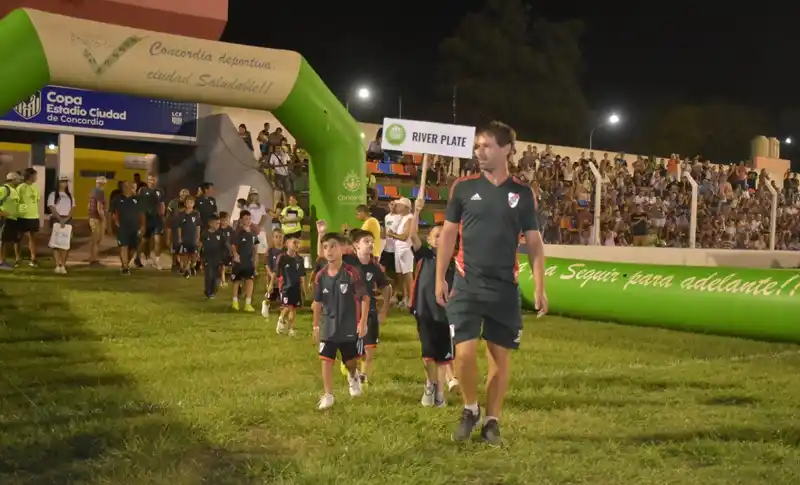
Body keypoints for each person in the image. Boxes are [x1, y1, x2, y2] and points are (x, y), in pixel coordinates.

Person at [436, 121, 548, 445]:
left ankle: (492, 421)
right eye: (477, 146)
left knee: (499, 357)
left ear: (506, 149)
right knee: (464, 354)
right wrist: (440, 276)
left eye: (486, 146)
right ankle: (470, 408)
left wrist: (539, 286)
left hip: (503, 287)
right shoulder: (463, 187)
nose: (479, 152)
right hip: (466, 282)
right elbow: (448, 233)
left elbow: (534, 242)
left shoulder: (522, 194)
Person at [408, 198, 458, 407]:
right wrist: (416, 211)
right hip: (425, 312)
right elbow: (412, 235)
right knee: (428, 354)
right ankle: (430, 384)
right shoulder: (424, 256)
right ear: (429, 240)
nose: (440, 239)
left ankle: (439, 393)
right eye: (436, 235)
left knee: (443, 357)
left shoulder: (454, 262)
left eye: (444, 235)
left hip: (445, 315)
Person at [312, 232, 369, 410]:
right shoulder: (320, 276)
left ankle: (353, 376)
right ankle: (328, 395)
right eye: (325, 247)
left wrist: (363, 322)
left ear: (342, 249)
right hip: (328, 326)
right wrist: (315, 326)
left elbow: (365, 298)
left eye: (333, 246)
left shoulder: (352, 273)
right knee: (326, 359)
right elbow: (317, 302)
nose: (329, 250)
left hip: (348, 326)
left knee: (350, 362)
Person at [344, 228, 391, 385]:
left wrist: (384, 309)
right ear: (356, 245)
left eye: (372, 242)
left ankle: (362, 377)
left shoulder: (375, 267)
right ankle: (352, 371)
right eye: (366, 241)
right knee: (351, 350)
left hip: (370, 312)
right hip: (351, 312)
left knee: (369, 350)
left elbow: (386, 287)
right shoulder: (347, 263)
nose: (371, 244)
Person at [272, 233, 305, 336]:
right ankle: (281, 319)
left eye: (298, 243)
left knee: (293, 308)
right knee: (287, 307)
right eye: (294, 242)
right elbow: (275, 272)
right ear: (287, 244)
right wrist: (271, 285)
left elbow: (302, 275)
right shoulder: (282, 257)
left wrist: (303, 289)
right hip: (285, 287)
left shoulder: (300, 259)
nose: (297, 245)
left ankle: (291, 329)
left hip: (296, 287)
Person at [386, 197, 415, 306]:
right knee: (400, 275)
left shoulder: (410, 218)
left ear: (406, 207)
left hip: (405, 249)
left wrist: (392, 234)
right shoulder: (402, 218)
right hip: (399, 249)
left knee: (407, 275)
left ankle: (411, 299)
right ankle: (405, 296)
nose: (397, 207)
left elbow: (405, 236)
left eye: (399, 205)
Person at [113, 181, 145, 275]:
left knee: (133, 248)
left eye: (130, 186)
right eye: (126, 186)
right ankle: (125, 267)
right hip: (122, 227)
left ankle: (125, 264)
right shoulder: (117, 199)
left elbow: (142, 214)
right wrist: (115, 223)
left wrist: (143, 226)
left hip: (135, 228)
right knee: (124, 246)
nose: (128, 188)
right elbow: (113, 213)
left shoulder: (137, 200)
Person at [135, 174, 166, 269]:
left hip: (157, 219)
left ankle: (157, 261)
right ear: (147, 180)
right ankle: (139, 258)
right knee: (144, 240)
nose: (151, 182)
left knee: (157, 240)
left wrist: (162, 216)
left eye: (153, 180)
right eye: (150, 180)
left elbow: (162, 204)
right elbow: (138, 203)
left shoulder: (160, 191)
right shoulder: (142, 190)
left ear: (156, 180)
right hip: (146, 219)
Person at [230, 210, 259, 312]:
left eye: (249, 219)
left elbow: (255, 247)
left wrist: (255, 261)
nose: (248, 221)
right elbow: (233, 245)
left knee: (250, 280)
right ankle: (235, 302)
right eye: (246, 219)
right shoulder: (238, 232)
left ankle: (248, 304)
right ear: (241, 220)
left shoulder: (253, 233)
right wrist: (235, 255)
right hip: (239, 261)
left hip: (249, 262)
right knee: (237, 281)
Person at [46, 175, 75, 274]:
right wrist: (60, 219)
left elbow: (73, 208)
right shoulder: (53, 195)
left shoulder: (70, 195)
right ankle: (57, 265)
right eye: (63, 181)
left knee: (65, 244)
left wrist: (66, 218)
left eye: (66, 182)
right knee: (56, 243)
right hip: (56, 219)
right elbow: (52, 208)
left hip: (67, 220)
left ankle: (63, 265)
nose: (65, 183)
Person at [15, 168, 41, 267]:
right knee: (18, 238)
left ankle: (33, 259)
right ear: (30, 176)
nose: (36, 177)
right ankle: (18, 258)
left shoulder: (35, 187)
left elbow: (37, 200)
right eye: (35, 175)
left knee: (32, 237)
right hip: (22, 216)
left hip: (33, 216)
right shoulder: (20, 188)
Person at [0, 172, 22, 270]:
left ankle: (3, 261)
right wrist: (1, 213)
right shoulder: (4, 189)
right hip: (4, 219)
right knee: (2, 240)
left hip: (12, 219)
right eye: (17, 179)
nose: (19, 181)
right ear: (13, 180)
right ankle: (1, 262)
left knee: (5, 240)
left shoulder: (13, 190)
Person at [261, 229, 285, 318]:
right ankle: (266, 304)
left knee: (284, 297)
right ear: (273, 238)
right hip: (272, 278)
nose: (279, 239)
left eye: (280, 237)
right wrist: (271, 275)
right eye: (276, 237)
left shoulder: (286, 250)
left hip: (283, 278)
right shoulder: (270, 251)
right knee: (270, 295)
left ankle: (282, 312)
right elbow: (267, 264)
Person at [176, 196, 201, 277]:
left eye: (191, 202)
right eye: (187, 202)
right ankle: (187, 269)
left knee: (194, 255)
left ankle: (192, 266)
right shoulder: (181, 214)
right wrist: (180, 237)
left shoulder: (196, 214)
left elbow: (198, 226)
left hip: (193, 238)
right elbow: (179, 227)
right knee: (185, 254)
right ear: (185, 203)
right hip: (185, 237)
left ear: (194, 204)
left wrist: (198, 237)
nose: (189, 204)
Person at [166, 189, 190, 272]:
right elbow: (168, 216)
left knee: (184, 248)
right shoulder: (173, 203)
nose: (183, 196)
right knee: (175, 247)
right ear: (179, 194)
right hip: (175, 227)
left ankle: (183, 265)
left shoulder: (190, 204)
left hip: (186, 228)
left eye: (185, 195)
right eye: (182, 194)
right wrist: (168, 229)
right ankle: (174, 264)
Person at [200, 215, 224, 299]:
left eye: (219, 223)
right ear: (210, 224)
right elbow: (200, 244)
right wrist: (198, 254)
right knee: (209, 275)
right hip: (207, 257)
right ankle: (208, 292)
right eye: (217, 223)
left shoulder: (220, 234)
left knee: (216, 276)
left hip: (217, 258)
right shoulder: (205, 233)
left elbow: (224, 245)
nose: (218, 225)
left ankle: (213, 290)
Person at [87, 176, 107, 267]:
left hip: (92, 217)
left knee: (94, 239)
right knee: (97, 239)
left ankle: (92, 257)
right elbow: (99, 208)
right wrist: (104, 219)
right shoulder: (100, 192)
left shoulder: (92, 191)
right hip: (97, 218)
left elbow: (88, 205)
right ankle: (94, 260)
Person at [218, 211, 233, 287]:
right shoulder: (218, 229)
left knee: (227, 266)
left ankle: (226, 279)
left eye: (226, 220)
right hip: (220, 251)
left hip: (228, 251)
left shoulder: (230, 229)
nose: (224, 222)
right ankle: (222, 280)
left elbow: (232, 240)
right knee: (222, 266)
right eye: (223, 220)